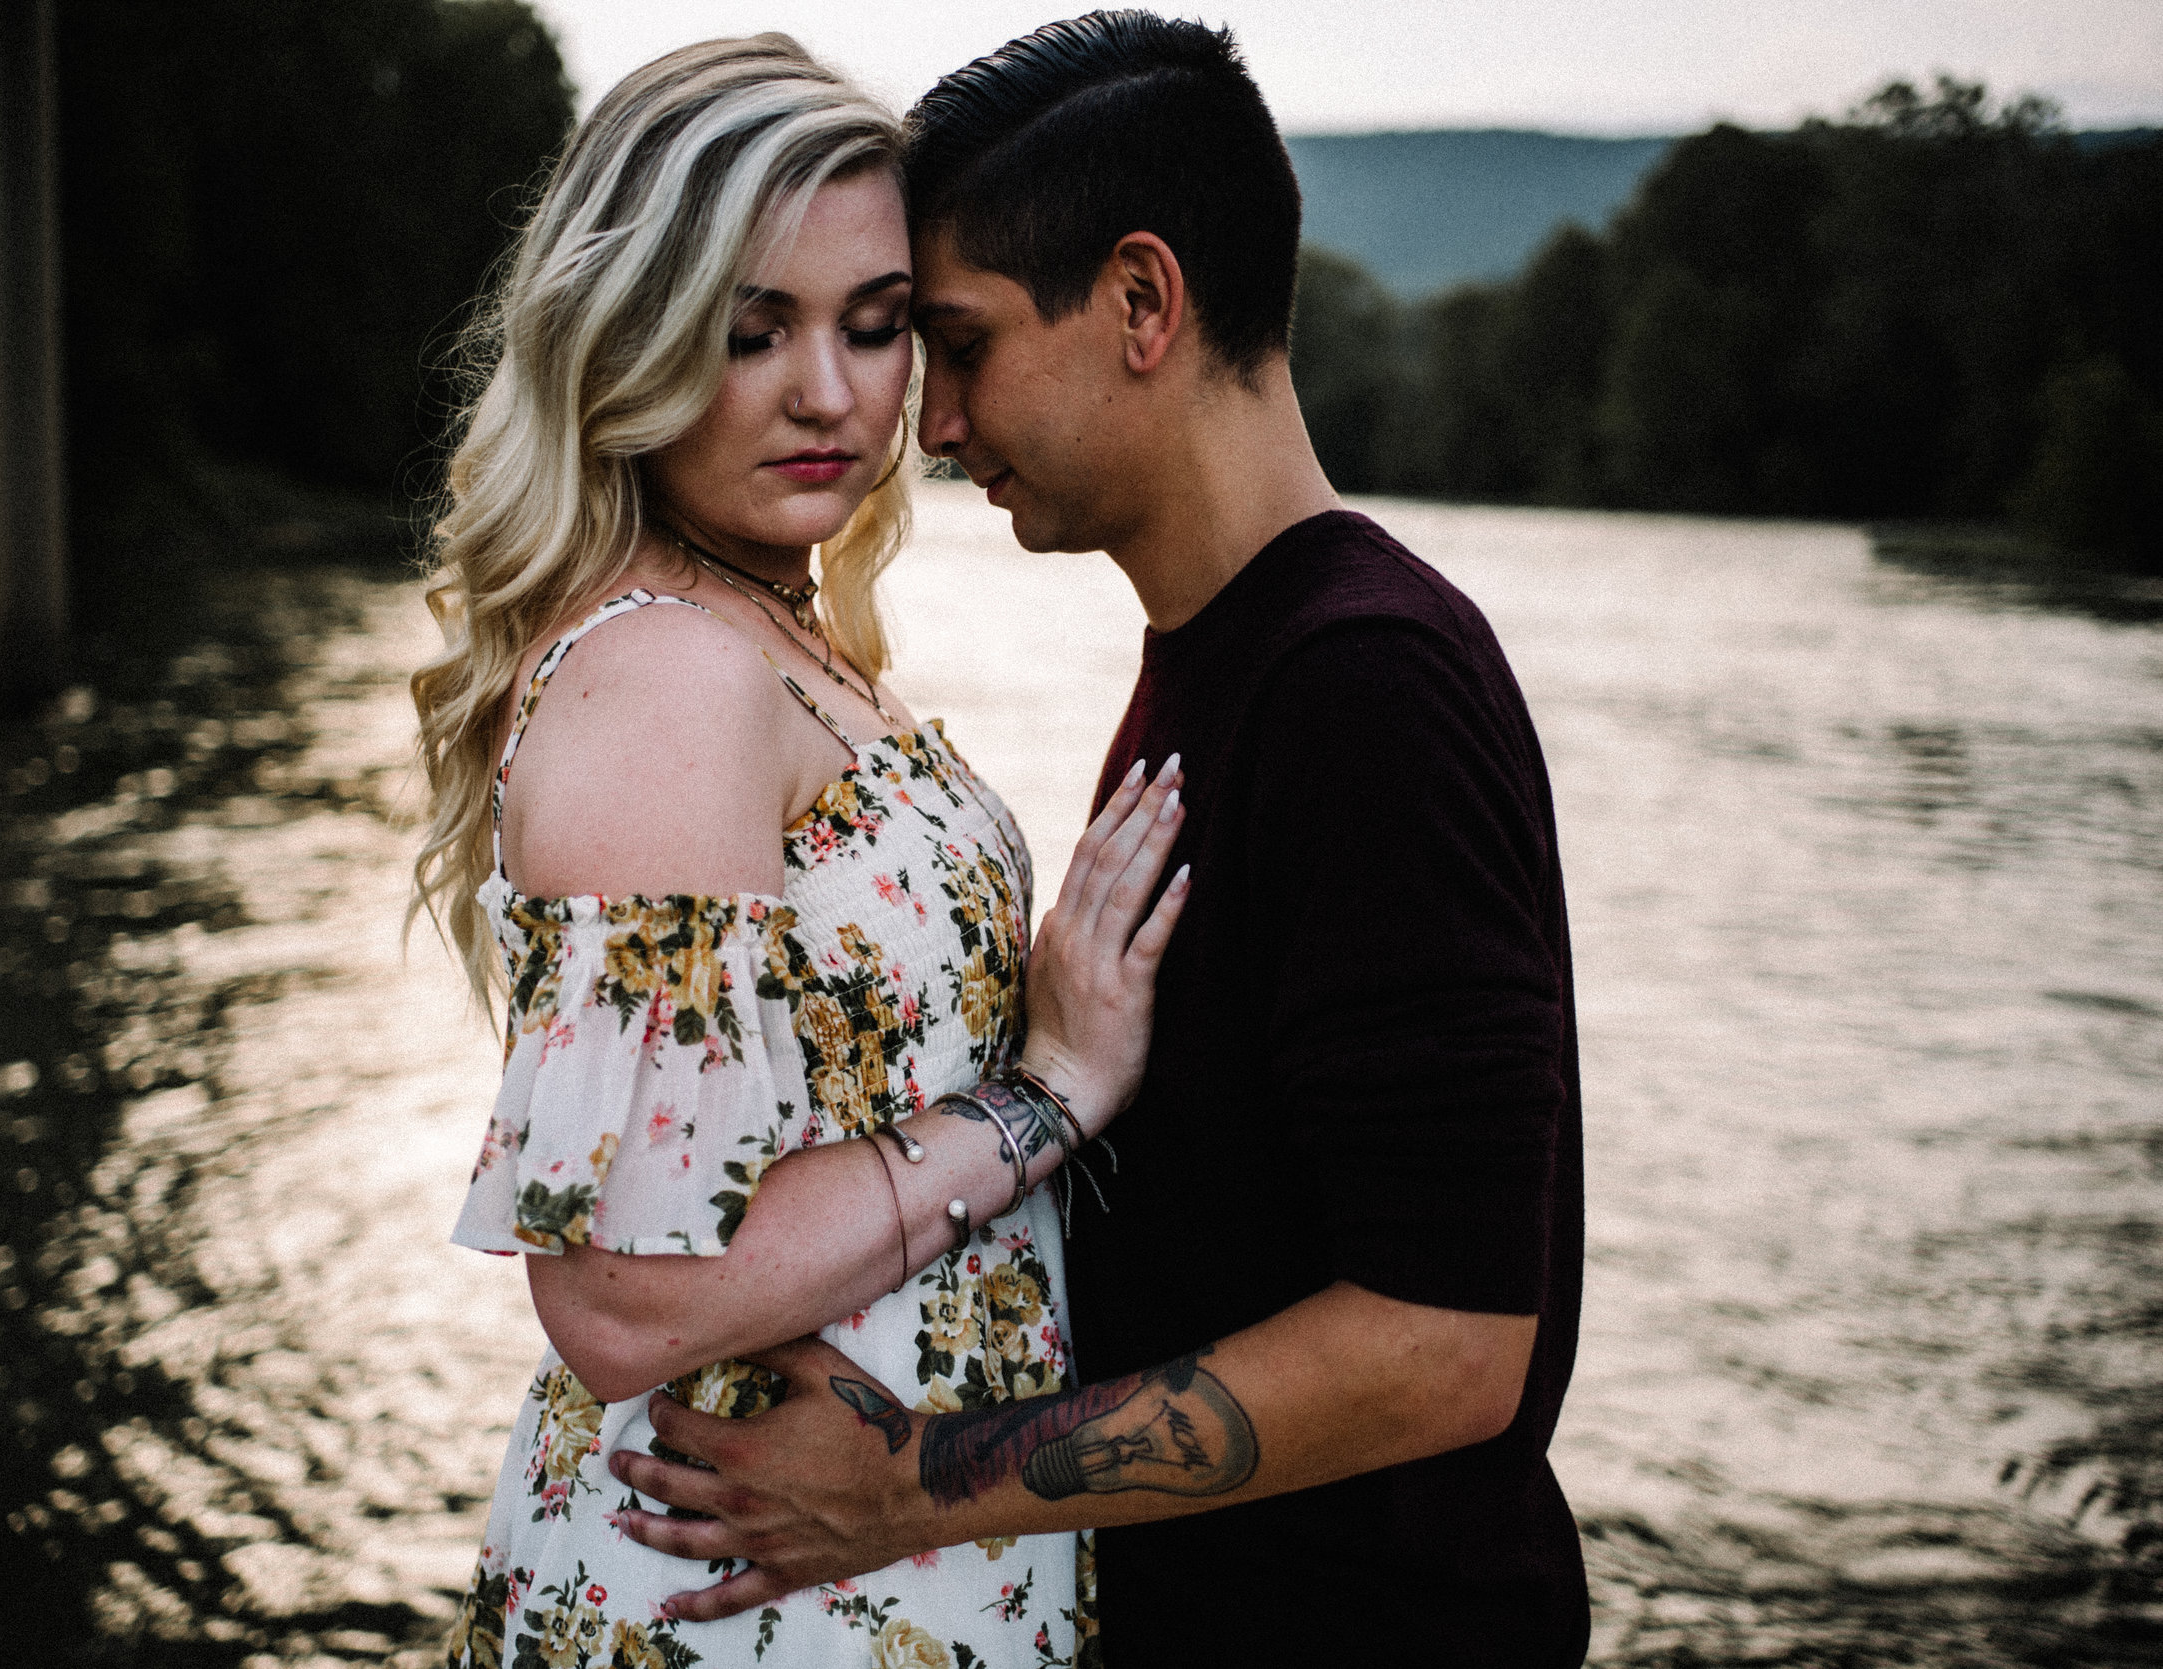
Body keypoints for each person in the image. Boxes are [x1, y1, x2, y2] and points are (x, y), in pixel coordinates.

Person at [603, 14, 1591, 1666]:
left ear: (1142, 302)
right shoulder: (1225, 651)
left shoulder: (1367, 685)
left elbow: (1450, 1339)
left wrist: (919, 1483)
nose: (928, 422)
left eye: (961, 344)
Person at [408, 35, 1191, 1669]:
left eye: (875, 324)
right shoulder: (667, 671)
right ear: (625, 337)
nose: (831, 393)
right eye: (750, 330)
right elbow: (631, 1298)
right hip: (751, 1604)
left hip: (864, 1564)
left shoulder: (766, 626)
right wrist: (1047, 1092)